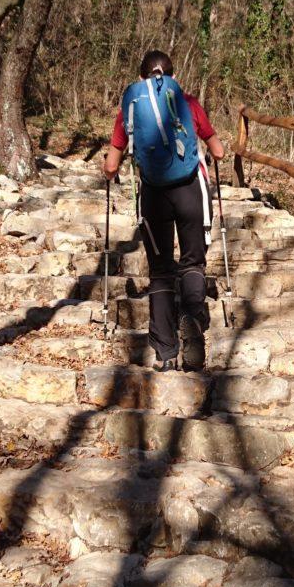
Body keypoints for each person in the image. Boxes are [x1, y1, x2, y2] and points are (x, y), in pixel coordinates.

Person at [103, 50, 225, 371]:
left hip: (153, 194)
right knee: (192, 261)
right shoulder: (189, 102)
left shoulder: (130, 107)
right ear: (173, 74)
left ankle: (166, 351)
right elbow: (219, 150)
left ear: (141, 77)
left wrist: (110, 169)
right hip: (189, 191)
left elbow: (112, 164)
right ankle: (192, 316)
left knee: (160, 270)